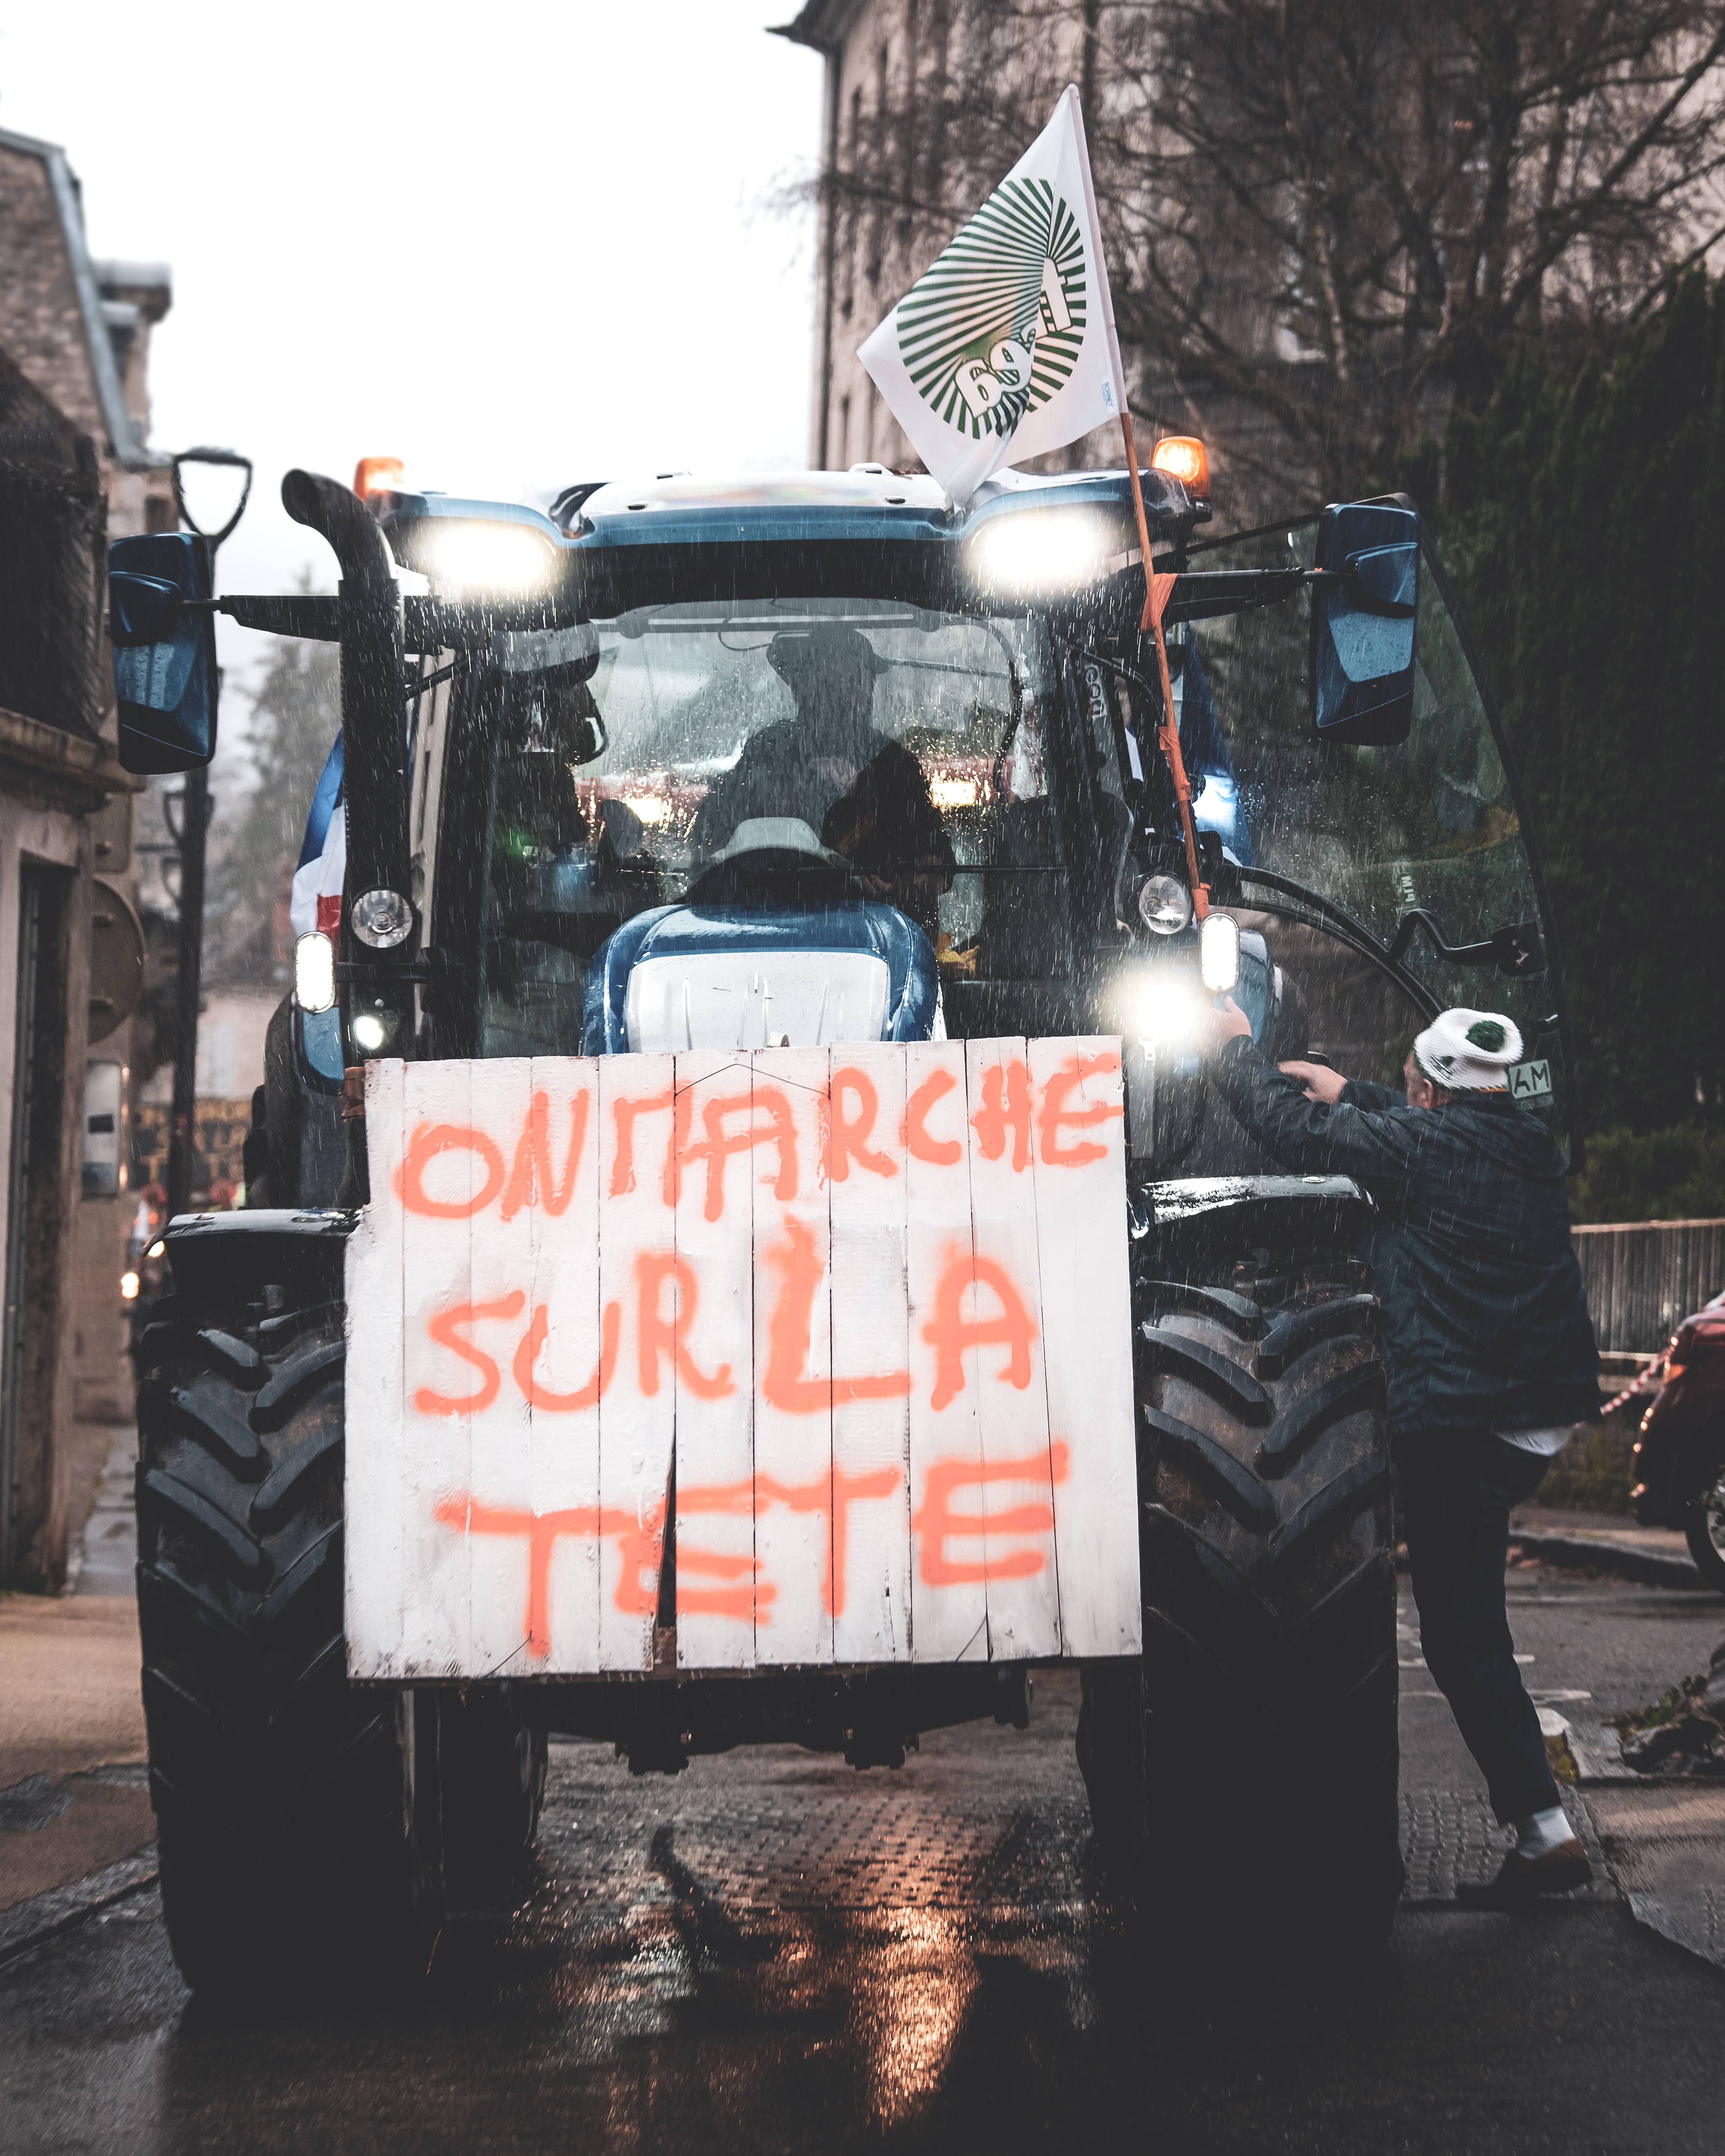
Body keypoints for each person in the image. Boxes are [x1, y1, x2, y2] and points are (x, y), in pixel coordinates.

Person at [1197, 1000, 1602, 1905]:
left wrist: (1231, 1045)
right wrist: (1358, 1092)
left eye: (1409, 1087)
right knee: (1462, 1615)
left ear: (1427, 1091)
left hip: (1467, 1421)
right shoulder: (1523, 1144)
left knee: (1461, 1640)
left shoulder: (1418, 1152)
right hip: (1531, 1417)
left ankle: (1543, 1834)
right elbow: (1426, 1130)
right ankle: (1538, 1826)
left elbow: (1288, 1130)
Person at [688, 624, 953, 934]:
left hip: (873, 932)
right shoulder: (769, 750)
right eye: (828, 680)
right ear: (800, 687)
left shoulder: (894, 764)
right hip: (764, 923)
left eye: (854, 680)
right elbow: (709, 829)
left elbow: (939, 867)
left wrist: (899, 883)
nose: (843, 692)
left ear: (869, 689)